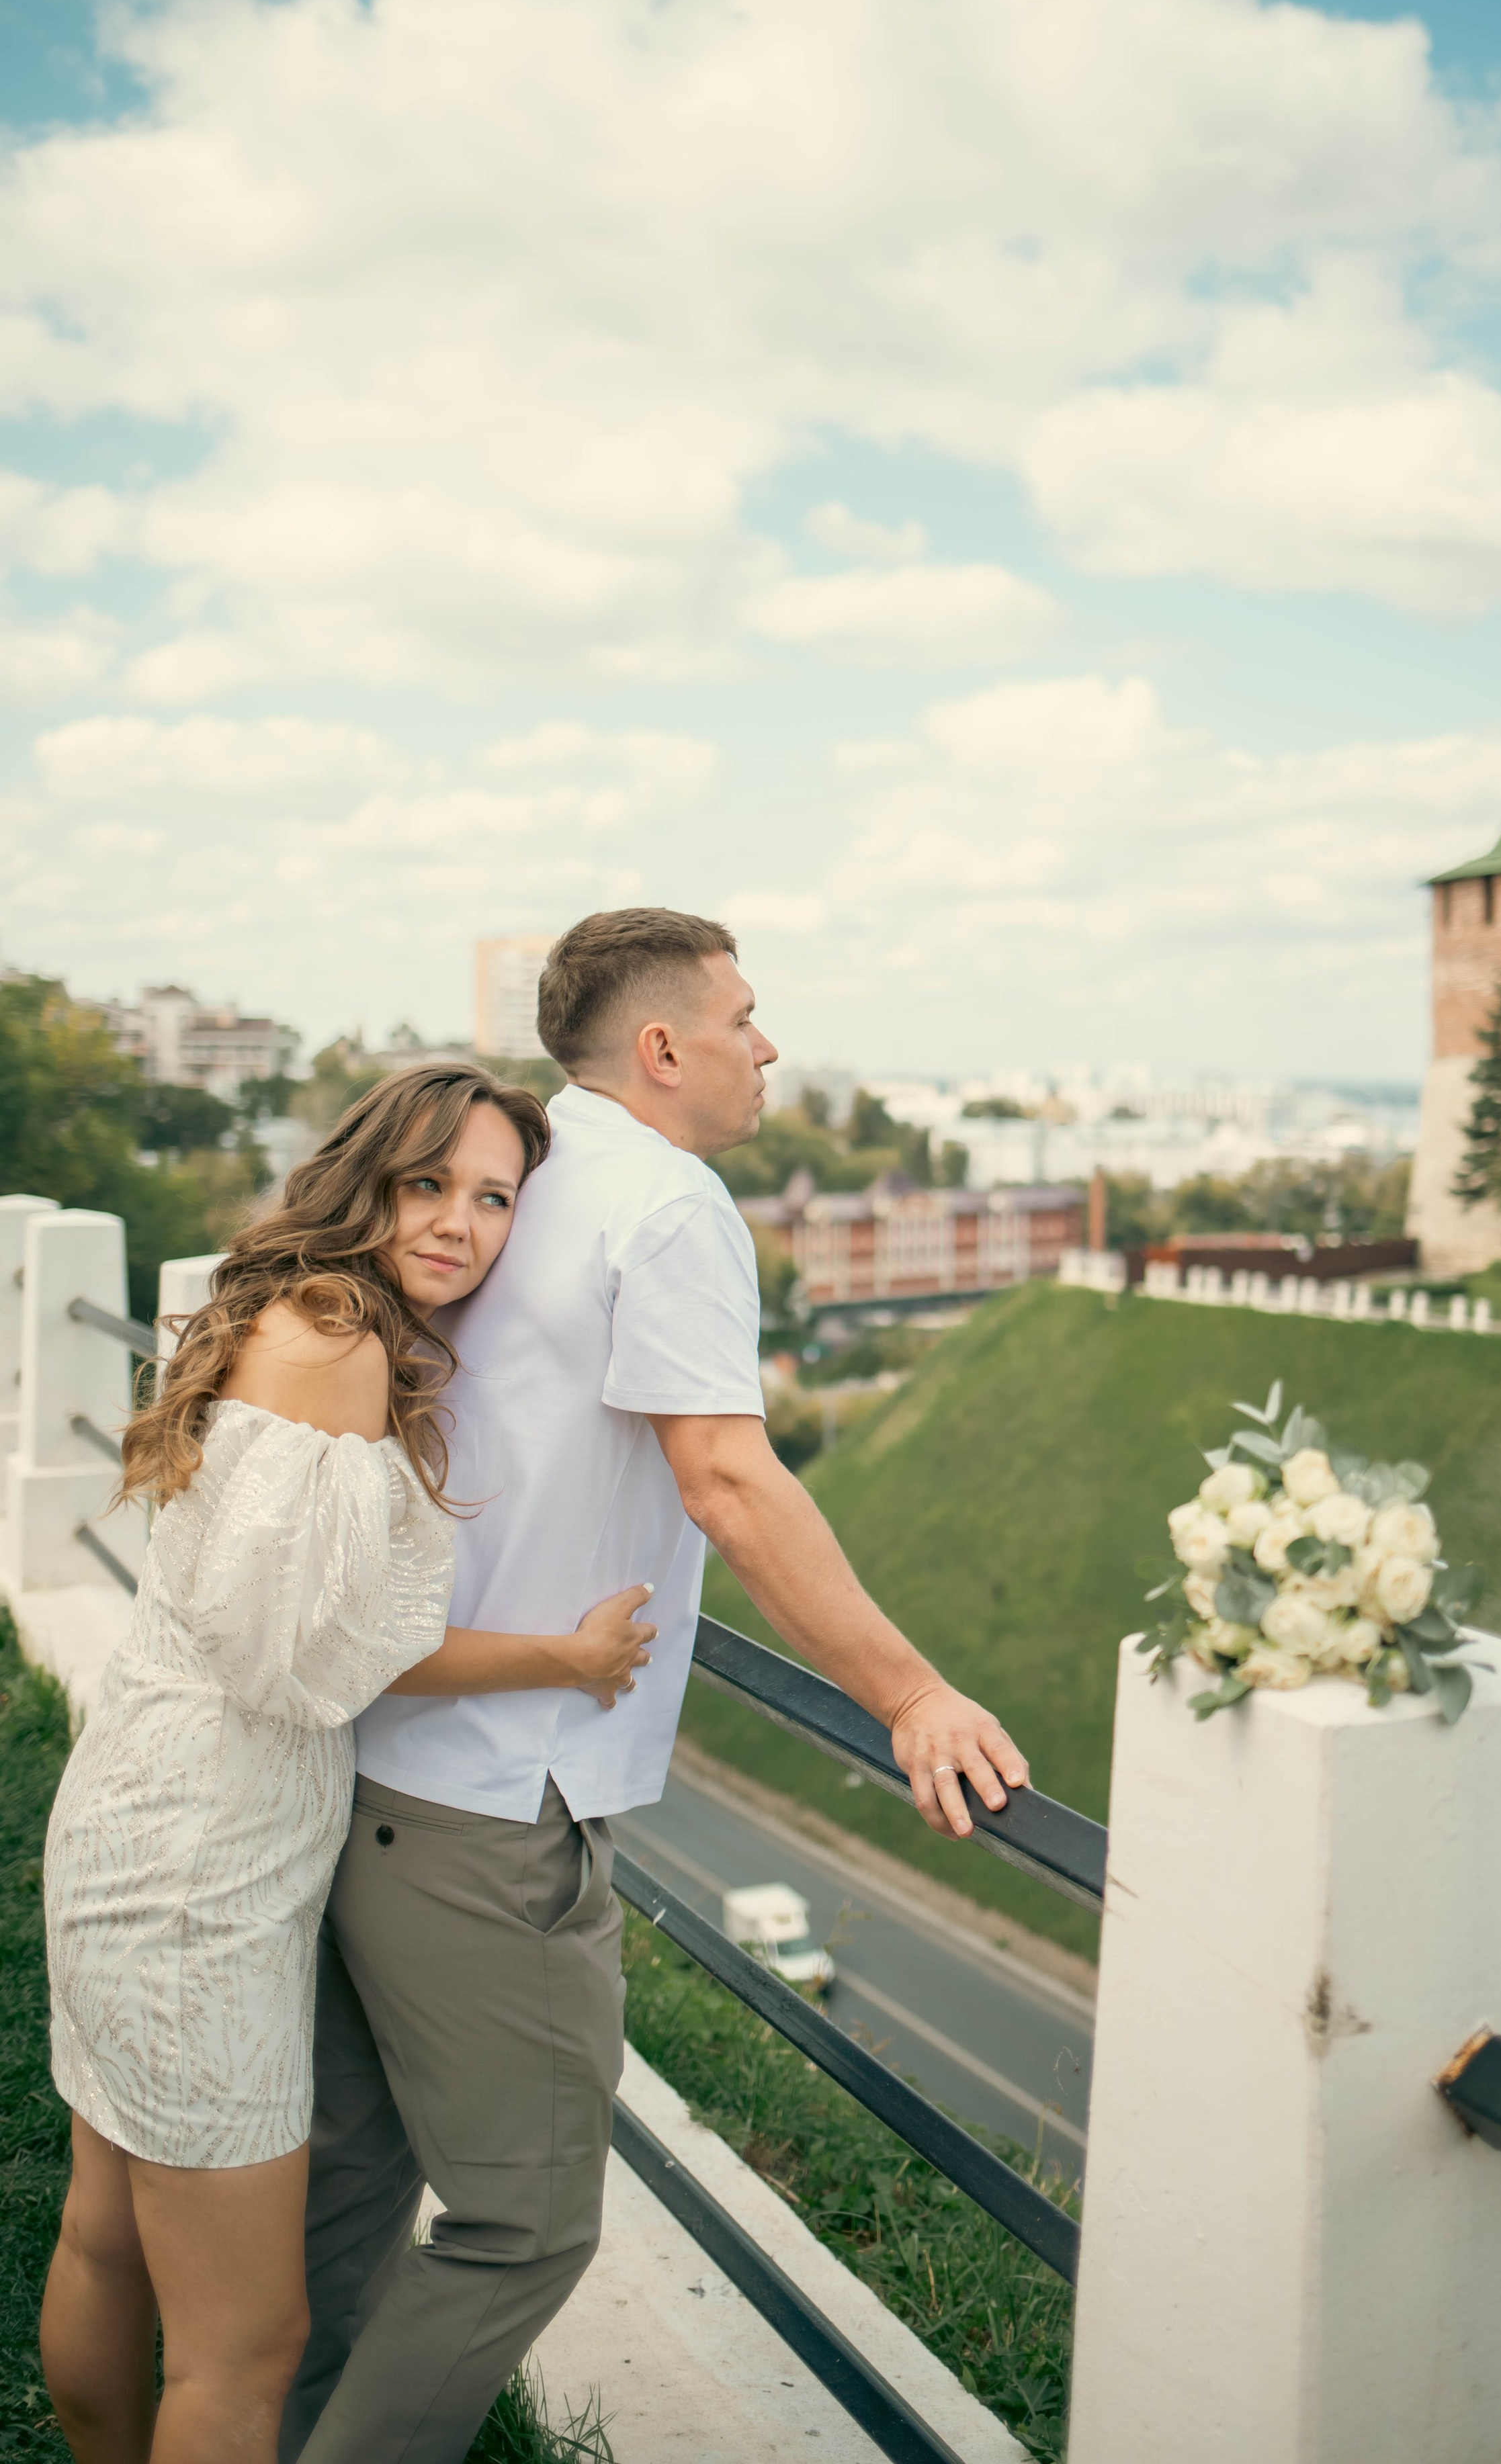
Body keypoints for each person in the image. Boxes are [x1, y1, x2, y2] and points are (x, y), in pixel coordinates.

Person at [285, 909, 1029, 2464]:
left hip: (373, 1757)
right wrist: (908, 1694)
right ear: (664, 1048)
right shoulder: (670, 1205)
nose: (770, 1049)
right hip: (498, 1794)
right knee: (525, 2223)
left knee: (348, 2189)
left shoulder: (515, 1175)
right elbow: (730, 1483)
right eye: (747, 1019)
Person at [38, 1064, 656, 2464]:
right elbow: (311, 1662)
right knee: (245, 2347)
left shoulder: (285, 1307)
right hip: (208, 1871)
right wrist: (558, 1660)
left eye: (495, 1197)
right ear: (363, 1175)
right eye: (427, 1182)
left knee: (112, 2237)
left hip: (141, 1814)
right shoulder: (340, 1344)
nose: (459, 1223)